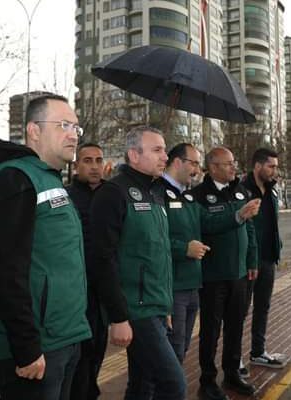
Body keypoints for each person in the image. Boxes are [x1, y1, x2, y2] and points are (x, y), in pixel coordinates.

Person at [0, 94, 92, 400]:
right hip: (36, 349)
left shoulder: (50, 180)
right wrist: (26, 347)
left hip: (65, 338)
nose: (73, 134)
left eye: (76, 128)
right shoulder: (14, 179)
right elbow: (5, 272)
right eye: (63, 125)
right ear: (34, 131)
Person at [89, 126, 186, 399]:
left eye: (164, 150)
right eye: (157, 150)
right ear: (134, 154)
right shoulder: (113, 193)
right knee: (174, 385)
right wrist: (118, 317)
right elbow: (102, 259)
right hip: (136, 310)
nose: (165, 157)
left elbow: (158, 254)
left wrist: (164, 303)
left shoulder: (156, 193)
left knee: (143, 385)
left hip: (155, 306)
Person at [158, 143, 260, 365]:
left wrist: (239, 215)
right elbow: (150, 240)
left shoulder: (187, 196)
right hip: (174, 285)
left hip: (192, 284)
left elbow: (209, 222)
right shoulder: (159, 194)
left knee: (181, 348)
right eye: (194, 163)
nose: (197, 169)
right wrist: (183, 249)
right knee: (171, 354)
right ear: (178, 163)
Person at [193, 146, 258, 399]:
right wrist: (238, 216)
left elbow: (249, 229)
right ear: (213, 167)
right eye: (228, 163)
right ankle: (207, 381)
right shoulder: (198, 195)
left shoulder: (240, 191)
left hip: (239, 274)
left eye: (234, 162)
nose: (234, 167)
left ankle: (232, 374)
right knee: (210, 329)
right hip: (213, 276)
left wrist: (251, 260)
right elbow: (205, 225)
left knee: (235, 326)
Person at [66, 143, 108, 400]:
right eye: (87, 160)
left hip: (104, 291)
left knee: (97, 351)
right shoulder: (66, 196)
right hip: (77, 293)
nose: (94, 166)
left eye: (98, 160)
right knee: (79, 357)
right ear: (76, 165)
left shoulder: (112, 195)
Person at [241, 148, 286, 373]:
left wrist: (277, 248)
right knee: (239, 311)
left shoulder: (272, 190)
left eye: (276, 166)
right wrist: (249, 259)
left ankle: (258, 352)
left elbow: (273, 224)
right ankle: (234, 358)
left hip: (268, 259)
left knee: (263, 308)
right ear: (258, 166)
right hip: (248, 262)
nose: (274, 170)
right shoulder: (241, 190)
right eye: (271, 166)